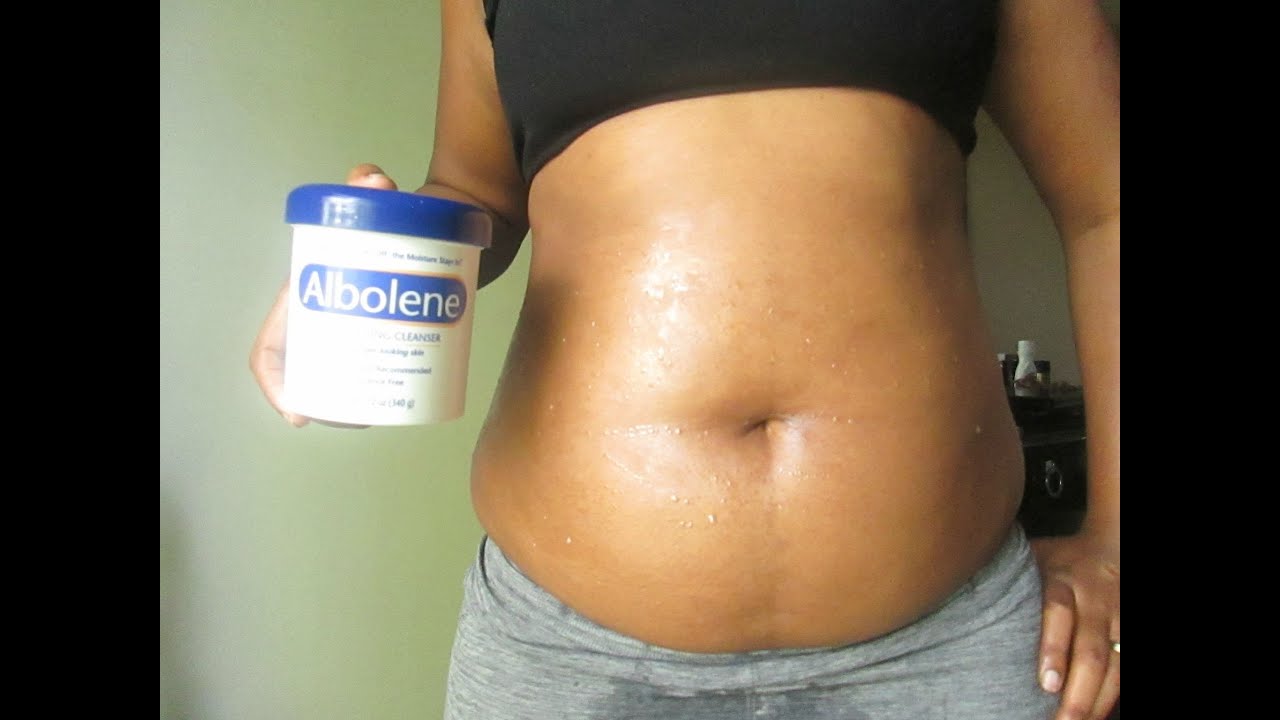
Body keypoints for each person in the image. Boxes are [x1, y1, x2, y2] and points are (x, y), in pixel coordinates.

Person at [250, 0, 1119, 718]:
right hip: (570, 654)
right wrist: (371, 270)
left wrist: (1115, 537)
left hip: (943, 643)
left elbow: (1105, 208)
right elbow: (477, 194)